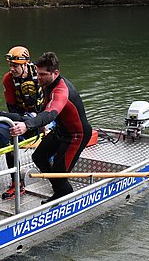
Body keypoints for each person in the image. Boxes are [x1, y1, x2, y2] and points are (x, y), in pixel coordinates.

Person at [9, 52, 91, 203]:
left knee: (59, 174)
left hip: (76, 136)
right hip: (61, 131)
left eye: (42, 74)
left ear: (56, 73)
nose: (38, 77)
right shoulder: (47, 83)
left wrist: (27, 125)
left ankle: (64, 194)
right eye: (37, 73)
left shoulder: (61, 90)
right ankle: (61, 190)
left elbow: (51, 113)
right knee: (38, 157)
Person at [0, 45, 44, 199]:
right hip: (23, 117)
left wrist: (43, 120)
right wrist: (23, 124)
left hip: (45, 114)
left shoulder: (39, 74)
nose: (11, 69)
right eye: (10, 65)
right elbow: (12, 109)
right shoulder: (8, 79)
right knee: (9, 141)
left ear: (25, 64)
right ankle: (16, 184)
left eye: (15, 66)